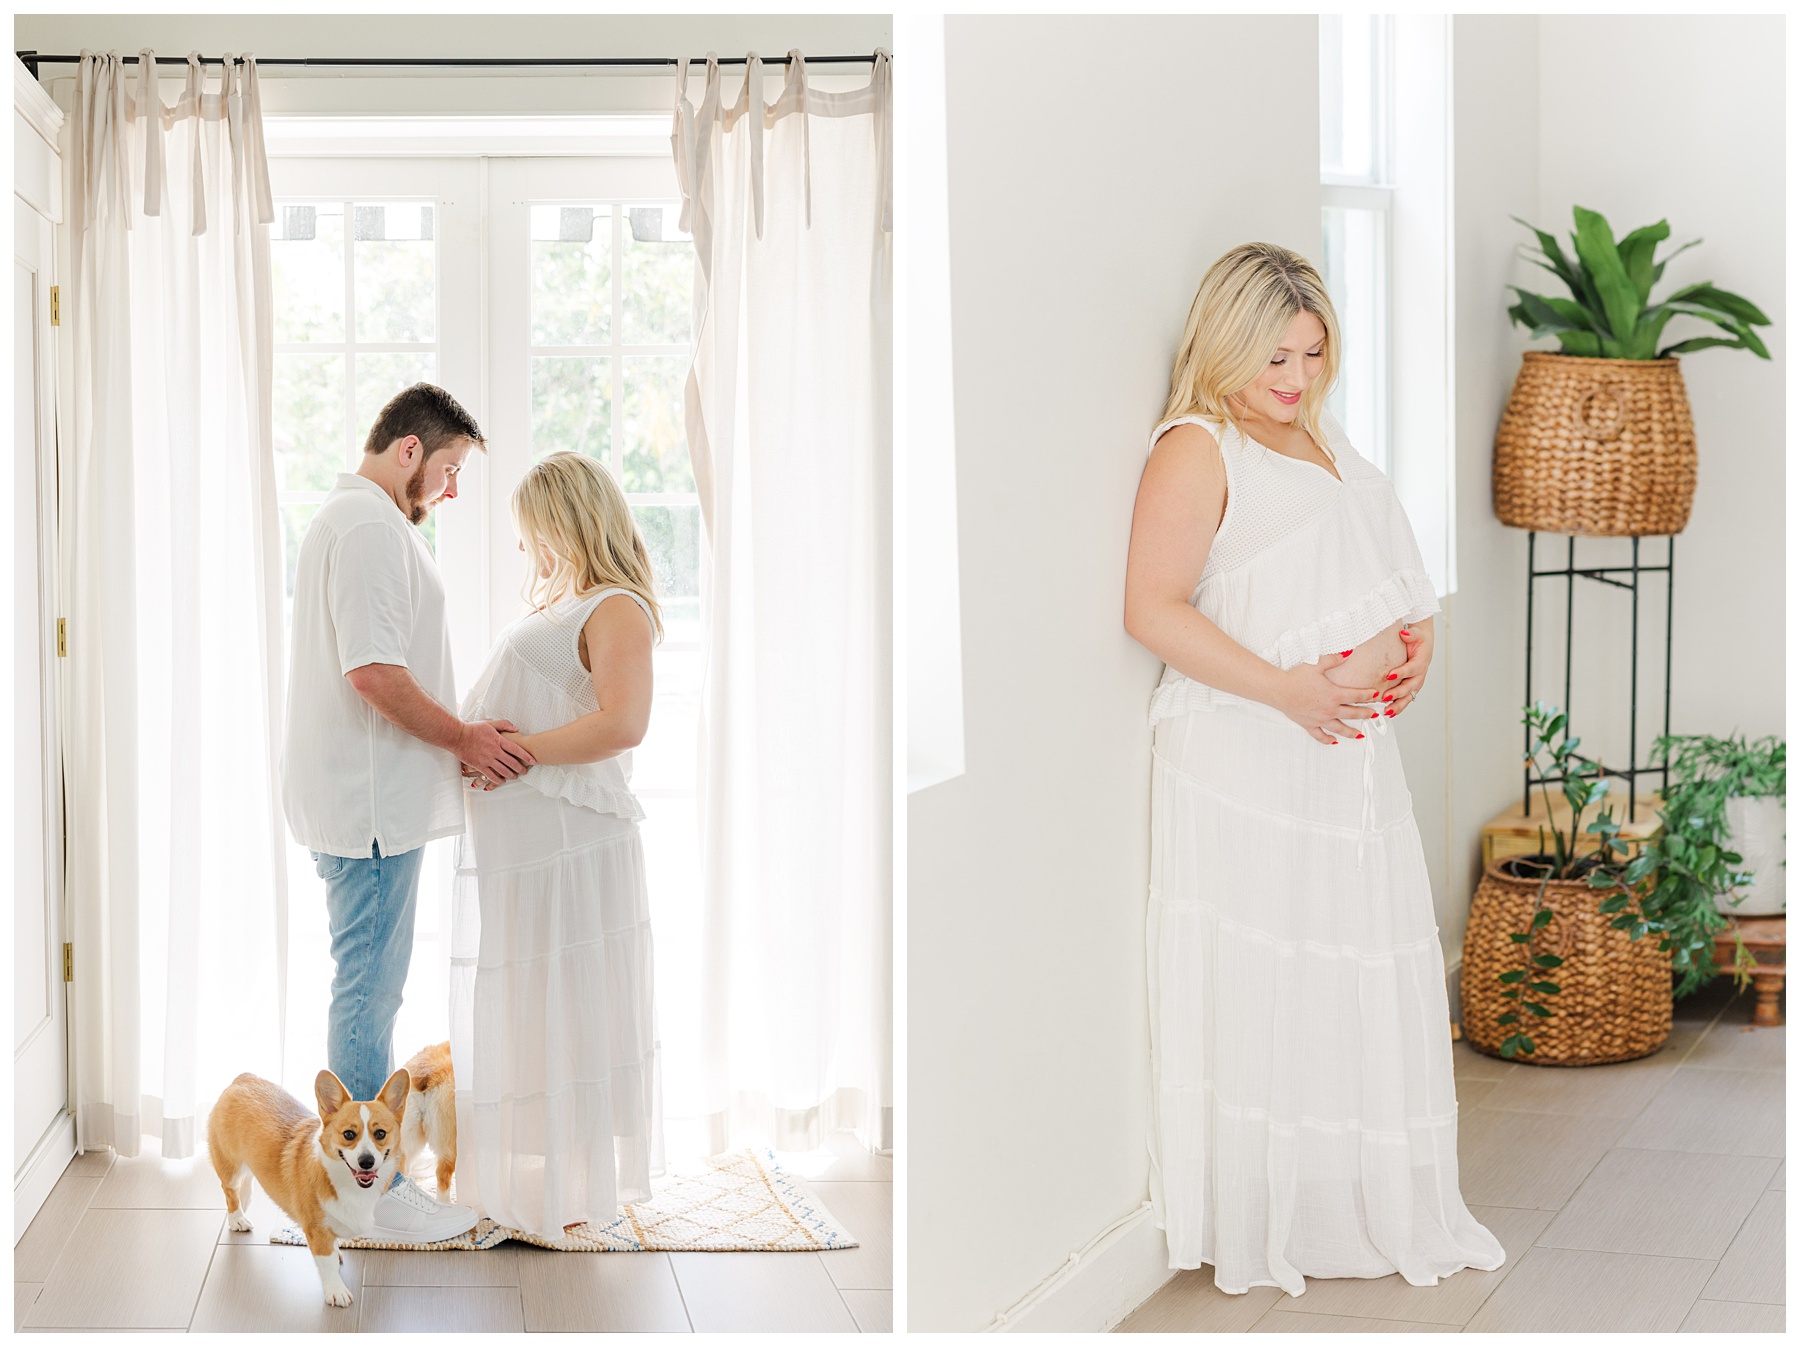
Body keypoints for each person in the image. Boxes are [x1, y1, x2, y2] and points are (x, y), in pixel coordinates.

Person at [1123, 243, 1503, 1295]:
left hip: (1342, 760)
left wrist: (1413, 635)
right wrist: (1289, 688)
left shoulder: (1315, 434)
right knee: (1274, 970)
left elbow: (1372, 555)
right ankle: (1267, 1206)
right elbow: (1151, 609)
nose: (1294, 379)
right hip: (1248, 751)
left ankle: (1344, 1195)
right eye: (1274, 357)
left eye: (1310, 354)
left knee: (1345, 970)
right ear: (1223, 344)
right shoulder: (1199, 449)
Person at [280, 382, 533, 1244]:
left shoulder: (361, 523)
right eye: (452, 470)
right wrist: (466, 738)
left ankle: (363, 1186)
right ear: (411, 452)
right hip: (370, 806)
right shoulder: (365, 531)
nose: (454, 492)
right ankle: (370, 1196)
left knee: (366, 985)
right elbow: (374, 673)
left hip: (366, 799)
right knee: (368, 990)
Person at [449, 451, 663, 1238]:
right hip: (534, 850)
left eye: (528, 530)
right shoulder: (574, 602)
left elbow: (623, 723)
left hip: (572, 848)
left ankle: (569, 1193)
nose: (521, 549)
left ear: (565, 523)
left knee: (570, 1003)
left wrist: (521, 751)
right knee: (535, 1004)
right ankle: (536, 1185)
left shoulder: (615, 608)